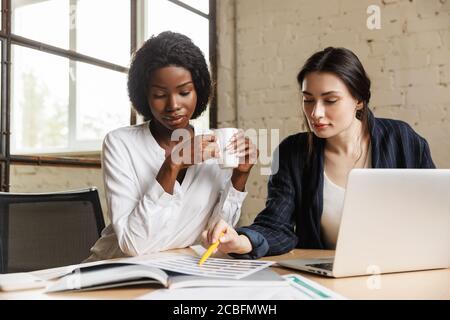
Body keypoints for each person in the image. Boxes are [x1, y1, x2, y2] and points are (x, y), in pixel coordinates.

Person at [202, 47, 435, 259]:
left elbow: (433, 214)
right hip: (326, 277)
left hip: (398, 269)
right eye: (308, 100)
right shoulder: (293, 152)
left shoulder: (402, 140)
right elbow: (277, 225)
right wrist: (241, 241)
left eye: (330, 100)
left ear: (359, 100)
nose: (316, 113)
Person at [86, 31, 257, 261]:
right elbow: (132, 243)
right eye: (159, 94)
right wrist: (173, 164)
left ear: (199, 90)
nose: (173, 105)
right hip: (113, 270)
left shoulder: (216, 144)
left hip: (174, 269)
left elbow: (215, 234)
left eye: (184, 92)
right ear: (144, 95)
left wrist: (240, 176)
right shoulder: (120, 143)